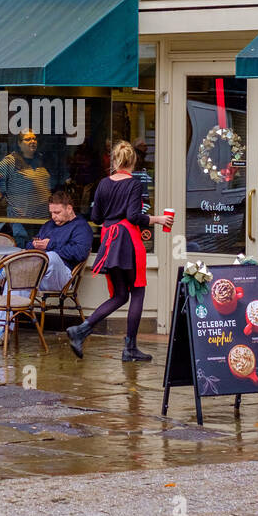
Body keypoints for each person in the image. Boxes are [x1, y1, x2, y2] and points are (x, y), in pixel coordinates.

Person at [66, 140, 173, 362]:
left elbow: (95, 217)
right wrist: (158, 219)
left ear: (114, 161)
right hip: (127, 240)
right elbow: (134, 216)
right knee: (138, 292)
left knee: (120, 294)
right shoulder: (133, 184)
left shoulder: (103, 184)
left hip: (108, 240)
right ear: (133, 162)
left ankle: (82, 330)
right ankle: (130, 348)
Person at [0, 189, 92, 346]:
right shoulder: (48, 225)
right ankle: (3, 329)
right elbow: (31, 244)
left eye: (57, 212)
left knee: (50, 255)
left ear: (69, 208)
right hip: (38, 276)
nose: (53, 216)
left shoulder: (81, 227)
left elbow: (79, 253)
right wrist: (35, 244)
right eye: (51, 212)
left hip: (61, 277)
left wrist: (50, 245)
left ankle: (5, 271)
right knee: (16, 278)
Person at [0, 130, 52, 247]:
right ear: (20, 144)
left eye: (34, 139)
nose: (32, 141)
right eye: (28, 139)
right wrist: (3, 199)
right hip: (22, 219)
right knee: (23, 252)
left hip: (40, 219)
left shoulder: (39, 160)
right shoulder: (13, 160)